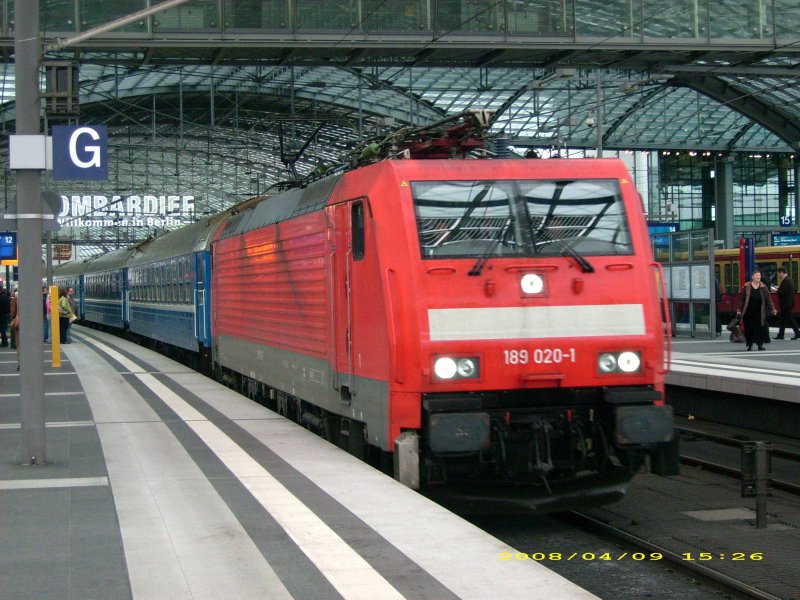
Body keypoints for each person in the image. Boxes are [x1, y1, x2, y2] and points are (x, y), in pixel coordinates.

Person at [737, 269, 777, 351]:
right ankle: (749, 345)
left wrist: (773, 309)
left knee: (760, 328)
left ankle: (760, 345)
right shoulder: (747, 286)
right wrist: (739, 310)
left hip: (760, 311)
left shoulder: (763, 287)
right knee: (749, 328)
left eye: (759, 275)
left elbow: (768, 299)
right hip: (748, 311)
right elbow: (742, 299)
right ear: (752, 277)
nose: (758, 277)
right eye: (756, 275)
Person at [774, 266, 800, 340]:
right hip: (788, 303)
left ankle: (797, 333)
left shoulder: (786, 280)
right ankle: (780, 334)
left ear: (781, 272)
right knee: (783, 319)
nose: (778, 275)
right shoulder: (789, 279)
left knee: (789, 319)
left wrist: (777, 290)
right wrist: (779, 288)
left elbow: (784, 292)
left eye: (778, 274)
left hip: (786, 304)